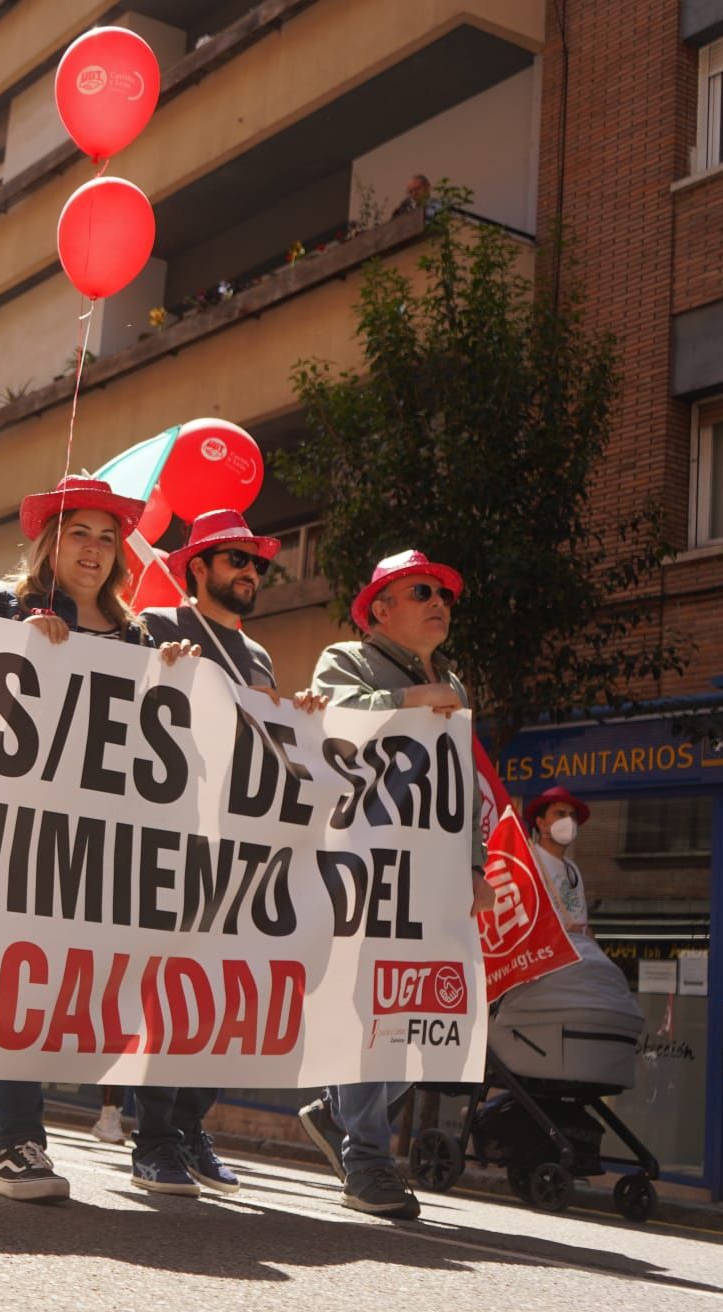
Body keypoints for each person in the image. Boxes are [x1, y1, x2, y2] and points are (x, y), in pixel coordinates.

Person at [0, 474, 196, 1201]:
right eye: (77, 532)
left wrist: (178, 684)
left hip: (96, 844)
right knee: (17, 977)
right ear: (48, 542)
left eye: (106, 535)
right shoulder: (2, 605)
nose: (93, 549)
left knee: (60, 984)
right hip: (10, 829)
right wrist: (9, 644)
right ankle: (18, 1141)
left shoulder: (141, 635)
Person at [132, 509, 328, 1197]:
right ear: (198, 567)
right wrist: (159, 671)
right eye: (235, 560)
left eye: (258, 565)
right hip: (173, 835)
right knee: (172, 991)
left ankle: (189, 1127)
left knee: (219, 998)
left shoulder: (259, 656)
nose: (251, 573)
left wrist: (294, 711)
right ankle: (152, 1137)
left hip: (241, 849)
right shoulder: (157, 628)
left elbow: (267, 746)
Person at [298, 549, 492, 1218]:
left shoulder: (458, 685)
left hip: (430, 876)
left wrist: (473, 864)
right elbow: (330, 719)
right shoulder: (345, 660)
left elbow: (461, 786)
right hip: (364, 867)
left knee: (420, 1017)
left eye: (444, 593)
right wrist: (411, 700)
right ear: (381, 609)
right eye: (421, 591)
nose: (439, 601)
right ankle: (369, 1162)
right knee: (370, 1013)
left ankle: (337, 1114)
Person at [525, 786, 591, 936]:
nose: (569, 820)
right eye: (560, 814)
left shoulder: (572, 867)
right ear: (541, 823)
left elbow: (582, 920)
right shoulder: (530, 862)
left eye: (572, 815)